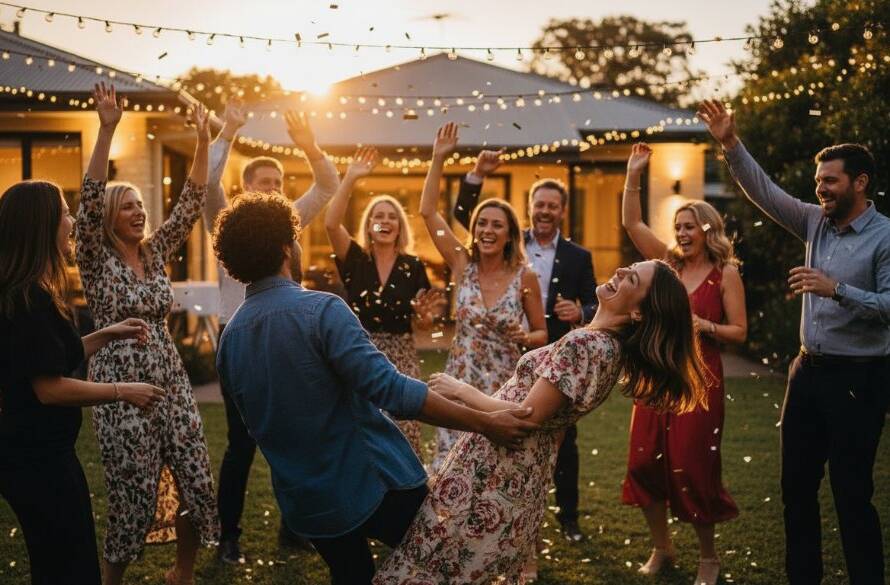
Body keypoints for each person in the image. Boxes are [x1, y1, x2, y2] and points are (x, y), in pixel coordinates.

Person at [213, 192, 541, 585]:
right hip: (374, 485)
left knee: (352, 574)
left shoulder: (229, 341)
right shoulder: (322, 310)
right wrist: (485, 422)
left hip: (307, 503)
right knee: (443, 566)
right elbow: (395, 393)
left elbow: (256, 426)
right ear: (287, 247)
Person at [373, 260, 709, 585]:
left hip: (497, 469)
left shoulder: (587, 345)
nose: (621, 270)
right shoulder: (607, 348)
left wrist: (461, 391)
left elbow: (524, 418)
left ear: (639, 313)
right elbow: (551, 423)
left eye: (632, 279)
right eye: (630, 268)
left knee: (438, 562)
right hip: (520, 471)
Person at [699, 99, 890, 585]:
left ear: (860, 183)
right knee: (795, 490)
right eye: (818, 181)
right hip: (805, 374)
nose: (820, 189)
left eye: (830, 181)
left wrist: (837, 290)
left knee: (852, 494)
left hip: (859, 378)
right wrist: (729, 143)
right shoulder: (813, 221)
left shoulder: (885, 237)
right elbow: (764, 191)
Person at [75, 84, 218, 585]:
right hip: (119, 386)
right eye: (128, 206)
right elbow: (88, 201)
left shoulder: (154, 253)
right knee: (132, 491)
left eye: (141, 205)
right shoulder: (93, 258)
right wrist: (108, 127)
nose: (139, 212)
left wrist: (203, 141)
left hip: (170, 379)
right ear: (109, 217)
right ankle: (111, 580)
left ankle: (182, 572)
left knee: (196, 477)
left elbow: (191, 203)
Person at [0, 180, 165, 585]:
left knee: (59, 563)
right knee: (69, 568)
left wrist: (109, 333)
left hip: (40, 454)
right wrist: (122, 391)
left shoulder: (33, 290)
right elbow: (50, 388)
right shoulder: (28, 300)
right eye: (65, 213)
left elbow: (54, 358)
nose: (72, 222)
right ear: (44, 225)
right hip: (36, 460)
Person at [202, 100, 341, 562]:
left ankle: (294, 529)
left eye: (280, 184)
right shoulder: (226, 224)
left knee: (297, 433)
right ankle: (229, 536)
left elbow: (327, 186)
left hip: (290, 337)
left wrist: (309, 146)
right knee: (241, 443)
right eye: (267, 184)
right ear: (245, 187)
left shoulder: (288, 223)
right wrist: (228, 131)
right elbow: (206, 183)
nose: (276, 191)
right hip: (239, 339)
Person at [619, 142, 747, 585]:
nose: (683, 233)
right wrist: (634, 173)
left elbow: (739, 332)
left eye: (690, 226)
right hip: (656, 378)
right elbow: (632, 222)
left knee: (694, 468)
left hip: (700, 382)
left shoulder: (725, 273)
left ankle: (708, 558)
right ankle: (662, 546)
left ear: (709, 229)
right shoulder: (667, 265)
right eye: (679, 226)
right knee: (643, 463)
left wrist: (702, 325)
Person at [453, 150, 597, 541]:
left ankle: (568, 518)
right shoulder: (506, 242)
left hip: (559, 359)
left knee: (563, 441)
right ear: (530, 208)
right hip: (511, 358)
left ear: (562, 210)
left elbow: (595, 301)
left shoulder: (579, 256)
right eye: (539, 204)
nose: (545, 210)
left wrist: (580, 309)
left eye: (552, 205)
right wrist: (476, 175)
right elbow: (464, 218)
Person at [422, 123, 548, 472]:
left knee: (495, 470)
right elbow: (428, 213)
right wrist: (438, 158)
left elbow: (541, 334)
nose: (487, 231)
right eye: (482, 224)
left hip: (503, 387)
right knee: (450, 469)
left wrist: (526, 337)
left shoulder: (526, 276)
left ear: (509, 235)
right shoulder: (463, 265)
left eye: (496, 225)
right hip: (459, 381)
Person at [325, 145, 445, 456]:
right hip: (360, 350)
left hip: (402, 352)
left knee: (404, 429)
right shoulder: (355, 260)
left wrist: (424, 318)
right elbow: (331, 224)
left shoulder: (413, 266)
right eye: (379, 215)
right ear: (369, 224)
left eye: (392, 216)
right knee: (363, 428)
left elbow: (424, 324)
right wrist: (350, 177)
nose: (385, 220)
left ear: (399, 227)